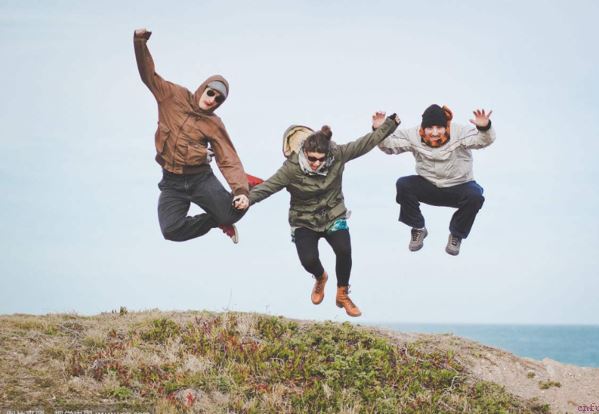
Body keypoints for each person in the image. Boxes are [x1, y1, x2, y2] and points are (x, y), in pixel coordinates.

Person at [235, 112, 401, 317]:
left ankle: (342, 294)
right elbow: (268, 186)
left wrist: (390, 123)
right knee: (309, 260)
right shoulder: (291, 169)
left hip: (333, 214)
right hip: (303, 219)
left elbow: (366, 143)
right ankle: (321, 277)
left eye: (320, 159)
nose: (315, 163)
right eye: (312, 158)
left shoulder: (338, 154)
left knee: (344, 250)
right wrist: (248, 199)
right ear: (304, 152)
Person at [133, 28, 261, 243]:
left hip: (199, 178)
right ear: (203, 89)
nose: (211, 100)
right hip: (172, 181)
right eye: (210, 93)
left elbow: (227, 157)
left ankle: (247, 187)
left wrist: (240, 191)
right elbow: (149, 76)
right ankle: (215, 221)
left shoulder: (214, 123)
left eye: (218, 99)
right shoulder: (172, 96)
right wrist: (140, 41)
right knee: (171, 230)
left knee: (231, 213)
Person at [378, 104, 495, 255]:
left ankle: (456, 235)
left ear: (446, 126)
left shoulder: (459, 132)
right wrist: (379, 129)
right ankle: (418, 227)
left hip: (458, 185)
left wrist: (484, 127)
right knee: (403, 184)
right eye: (429, 128)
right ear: (423, 128)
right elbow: (389, 145)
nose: (434, 132)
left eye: (439, 128)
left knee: (475, 195)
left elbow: (483, 140)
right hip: (429, 185)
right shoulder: (413, 135)